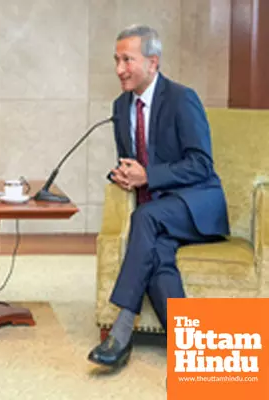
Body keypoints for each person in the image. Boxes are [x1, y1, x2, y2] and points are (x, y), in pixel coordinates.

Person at [87, 25, 229, 369]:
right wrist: (122, 175)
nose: (120, 69)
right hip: (156, 214)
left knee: (145, 219)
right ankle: (189, 347)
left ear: (153, 62)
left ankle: (121, 332)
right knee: (156, 259)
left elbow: (201, 164)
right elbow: (131, 162)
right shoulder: (121, 107)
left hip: (197, 204)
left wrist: (149, 175)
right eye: (117, 60)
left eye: (127, 60)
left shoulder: (182, 99)